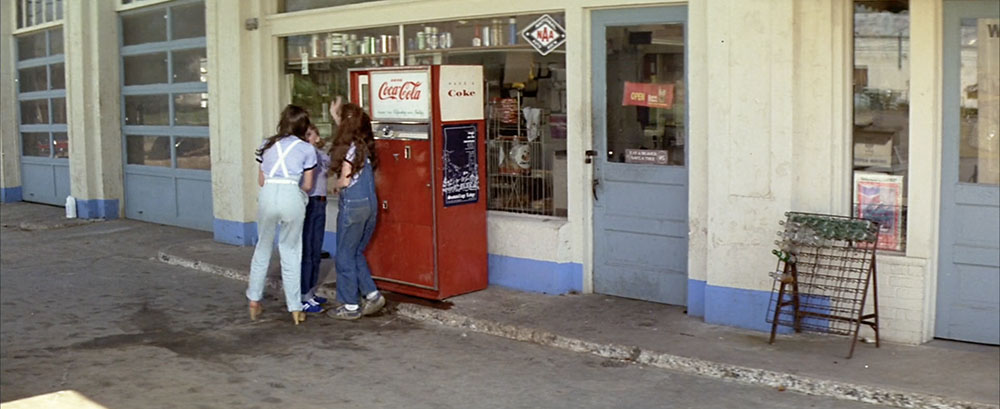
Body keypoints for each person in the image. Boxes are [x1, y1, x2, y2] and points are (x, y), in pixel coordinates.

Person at [246, 104, 318, 325]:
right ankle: (295, 308)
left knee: (262, 248)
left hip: (268, 194)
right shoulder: (307, 149)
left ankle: (254, 300)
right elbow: (308, 185)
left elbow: (261, 180)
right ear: (303, 126)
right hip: (291, 195)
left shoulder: (266, 145)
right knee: (291, 251)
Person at [326, 99, 385, 320]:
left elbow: (345, 179)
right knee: (355, 251)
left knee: (344, 255)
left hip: (353, 206)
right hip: (370, 204)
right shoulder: (364, 147)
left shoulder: (348, 149)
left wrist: (335, 184)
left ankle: (350, 306)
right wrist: (337, 116)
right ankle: (372, 295)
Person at [299, 123, 331, 313]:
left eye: (310, 134)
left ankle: (310, 291)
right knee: (308, 249)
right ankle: (304, 294)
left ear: (317, 137)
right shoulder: (304, 155)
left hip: (321, 201)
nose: (307, 138)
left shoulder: (322, 155)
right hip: (309, 201)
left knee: (316, 249)